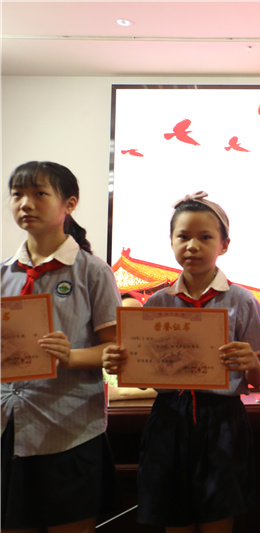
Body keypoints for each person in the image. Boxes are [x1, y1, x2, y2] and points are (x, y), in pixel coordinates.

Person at [102, 191, 260, 532]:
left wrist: (249, 362)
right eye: (183, 237)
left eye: (205, 237)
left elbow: (257, 379)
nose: (193, 245)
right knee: (173, 516)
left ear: (224, 245)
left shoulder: (242, 300)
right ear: (171, 242)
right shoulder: (157, 303)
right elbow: (145, 380)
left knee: (218, 517)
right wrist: (124, 364)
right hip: (168, 419)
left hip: (222, 421)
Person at [1, 161, 121, 532]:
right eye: (17, 195)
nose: (26, 204)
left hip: (70, 429)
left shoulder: (92, 271)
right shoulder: (3, 273)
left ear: (69, 203)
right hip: (8, 425)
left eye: (39, 194)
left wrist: (70, 356)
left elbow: (115, 351)